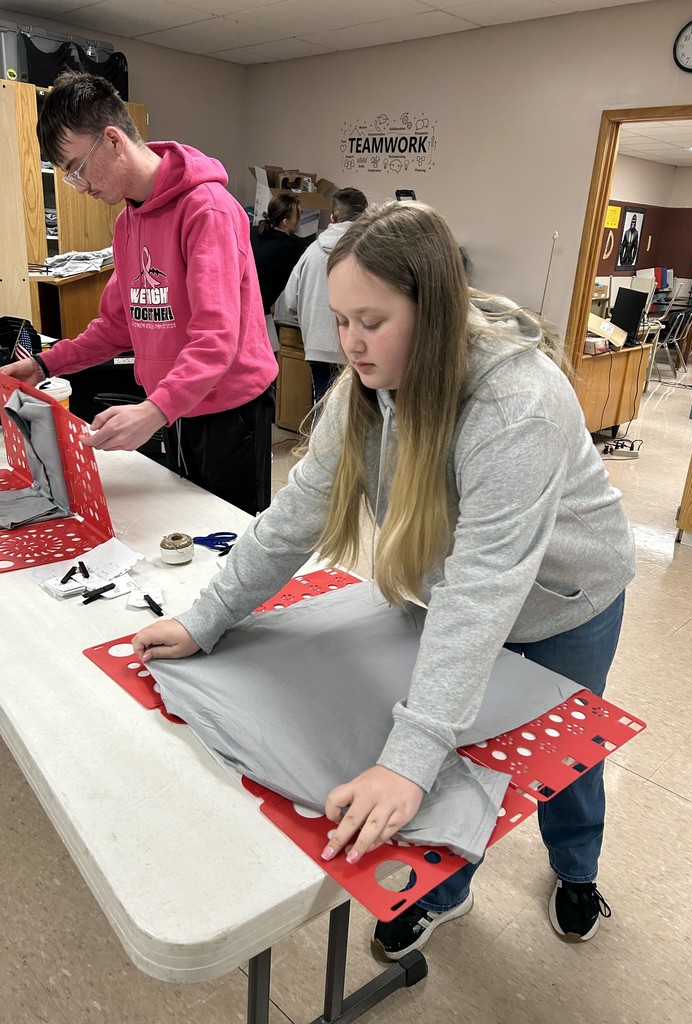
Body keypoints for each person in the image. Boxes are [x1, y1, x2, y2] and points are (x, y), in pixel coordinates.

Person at [132, 202, 635, 957]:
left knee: (549, 759)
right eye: (339, 320)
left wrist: (403, 763)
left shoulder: (516, 405)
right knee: (460, 752)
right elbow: (293, 514)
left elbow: (485, 586)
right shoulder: (366, 390)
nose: (350, 344)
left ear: (432, 312)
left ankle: (576, 870)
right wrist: (209, 616)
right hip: (460, 586)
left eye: (371, 319)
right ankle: (446, 890)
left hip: (565, 602)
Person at [0, 71, 277, 516]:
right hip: (175, 405)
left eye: (77, 169)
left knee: (228, 541)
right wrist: (44, 362)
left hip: (229, 411)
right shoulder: (128, 223)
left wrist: (152, 412)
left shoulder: (207, 209)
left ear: (112, 140)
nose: (82, 187)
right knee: (180, 532)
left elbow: (215, 339)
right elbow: (116, 326)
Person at [283, 186, 368, 404]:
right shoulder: (369, 252)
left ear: (332, 217)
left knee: (321, 407)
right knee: (354, 412)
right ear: (365, 216)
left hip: (316, 346)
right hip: (356, 349)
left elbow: (290, 300)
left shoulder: (310, 251)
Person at [250, 193, 307, 352]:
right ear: (286, 222)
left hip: (240, 308)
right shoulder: (293, 249)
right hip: (259, 315)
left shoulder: (253, 233)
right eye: (298, 214)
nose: (301, 218)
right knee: (268, 366)